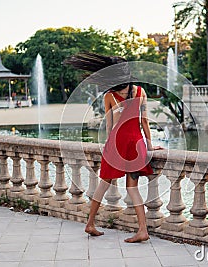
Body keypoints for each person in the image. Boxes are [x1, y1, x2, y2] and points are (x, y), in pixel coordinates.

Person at [64, 52, 163, 243]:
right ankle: (142, 230)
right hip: (136, 144)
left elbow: (109, 126)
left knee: (103, 185)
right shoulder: (141, 92)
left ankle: (90, 223)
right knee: (133, 189)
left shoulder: (110, 96)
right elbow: (144, 122)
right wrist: (149, 145)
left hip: (117, 144)